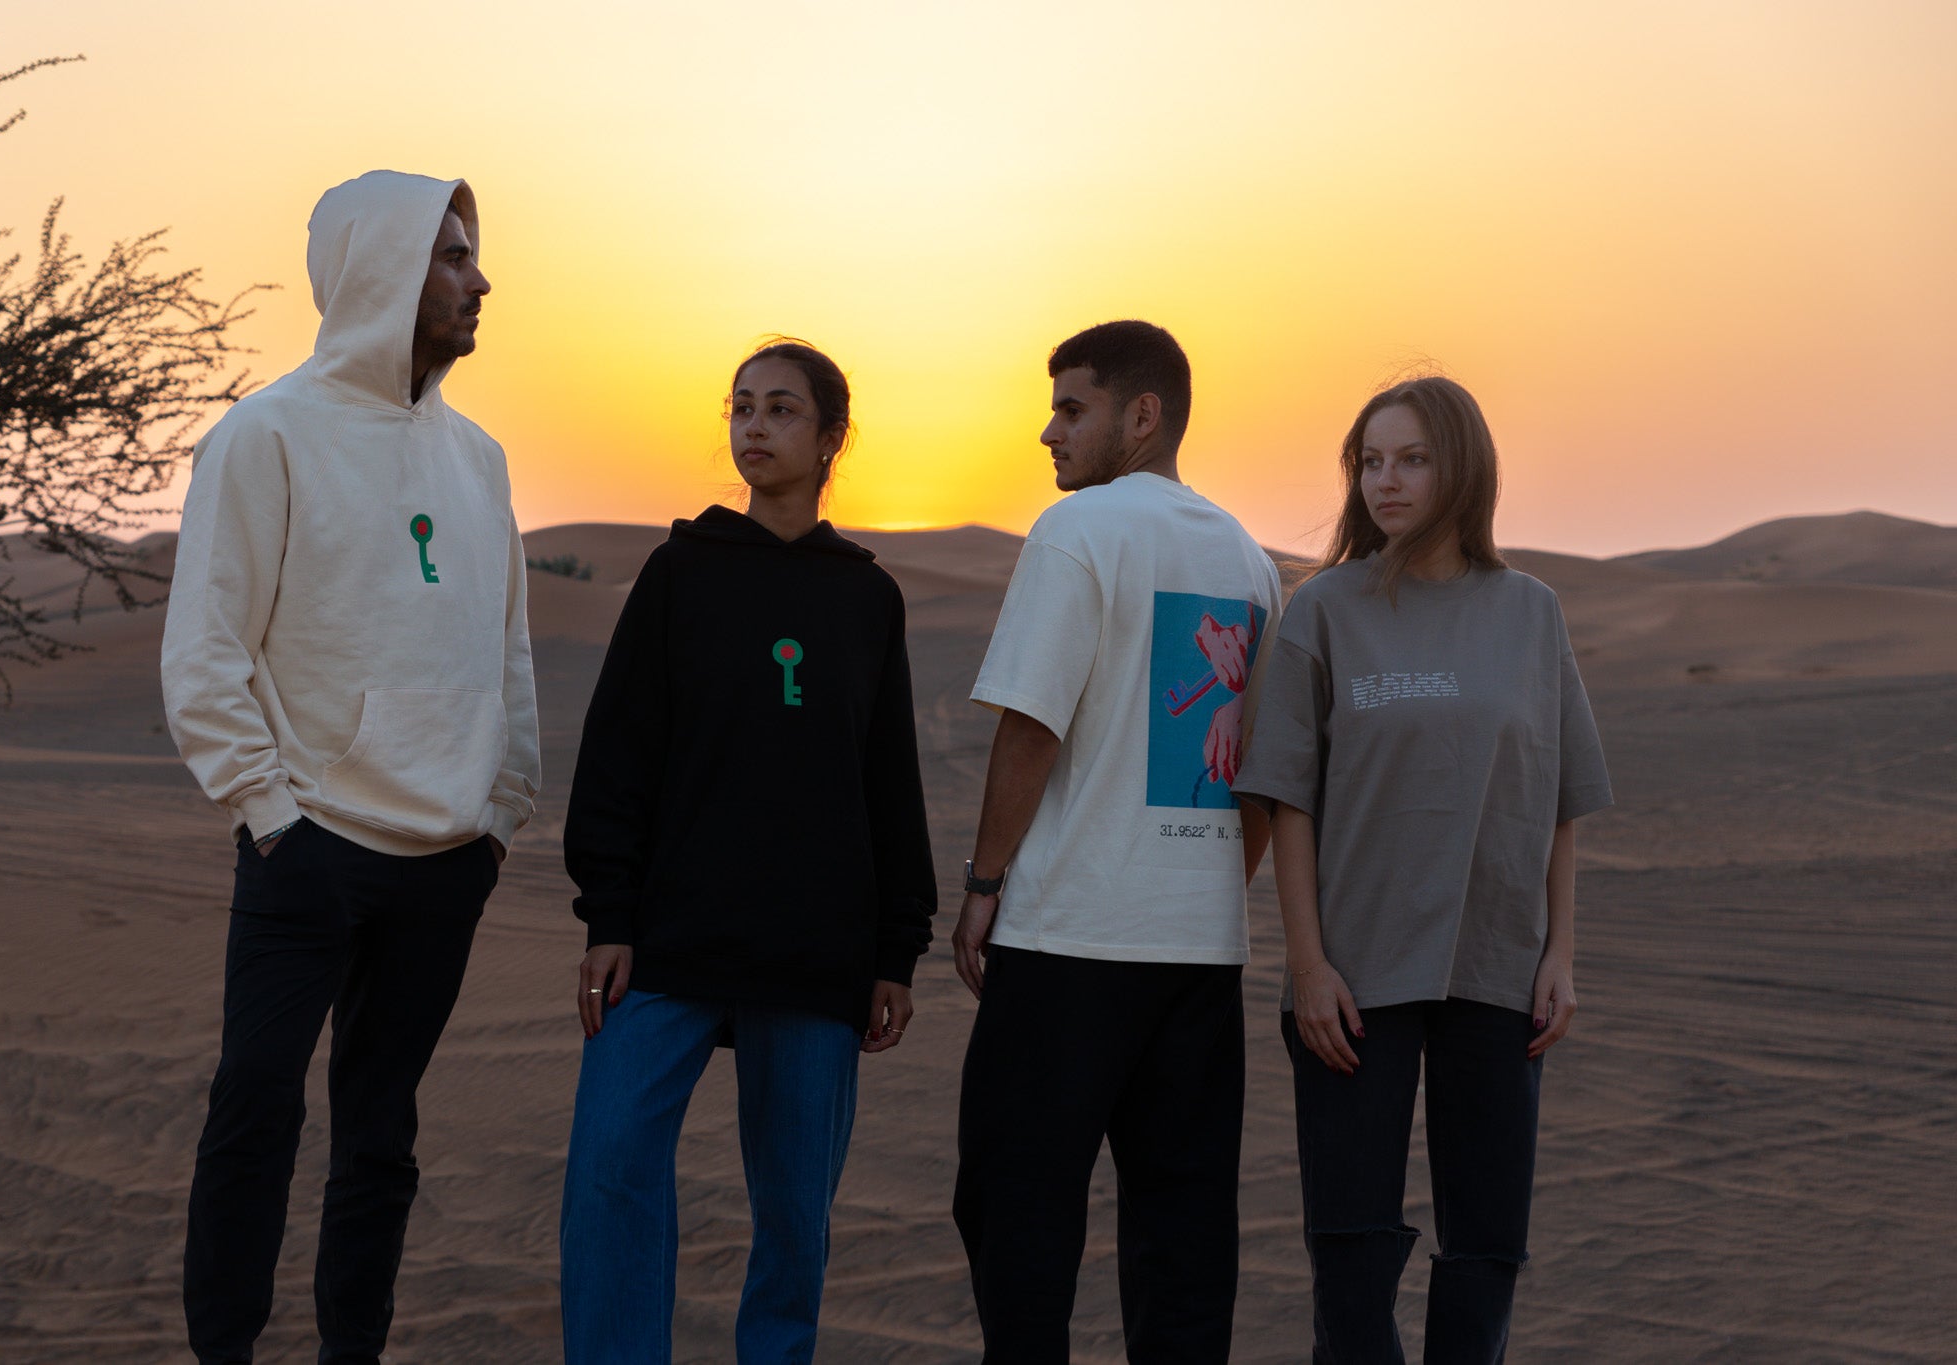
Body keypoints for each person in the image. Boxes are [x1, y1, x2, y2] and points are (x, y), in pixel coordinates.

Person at [161, 170, 539, 1365]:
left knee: (381, 1137)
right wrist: (270, 814)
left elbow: (507, 651)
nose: (481, 281)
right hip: (310, 848)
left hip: (444, 863)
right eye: (453, 256)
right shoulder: (268, 435)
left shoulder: (478, 458)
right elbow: (205, 652)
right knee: (254, 1117)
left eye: (473, 257)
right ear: (381, 267)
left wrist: (498, 811)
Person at [558, 339, 937, 1365]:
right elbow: (619, 751)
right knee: (609, 1173)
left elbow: (886, 780)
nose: (754, 428)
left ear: (829, 439)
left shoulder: (866, 596)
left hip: (816, 952)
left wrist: (896, 949)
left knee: (794, 1215)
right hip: (672, 940)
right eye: (740, 408)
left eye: (779, 410)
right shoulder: (681, 572)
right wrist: (610, 918)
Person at [1231, 375, 1613, 1363]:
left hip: (1494, 968)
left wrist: (1558, 952)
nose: (1383, 483)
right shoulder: (1322, 612)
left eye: (1409, 459)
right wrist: (1306, 965)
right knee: (1350, 1253)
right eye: (1367, 462)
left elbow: (1558, 796)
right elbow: (1288, 800)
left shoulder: (1529, 612)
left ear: (1461, 468)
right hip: (1353, 977)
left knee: (1486, 1243)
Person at [950, 320, 1283, 1363]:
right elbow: (1265, 779)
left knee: (1013, 1210)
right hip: (1197, 955)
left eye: (1069, 408)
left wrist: (982, 882)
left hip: (1067, 945)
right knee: (1182, 1238)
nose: (1046, 433)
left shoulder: (1079, 531)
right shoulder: (1250, 559)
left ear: (1141, 417)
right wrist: (1202, 889)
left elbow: (1029, 726)